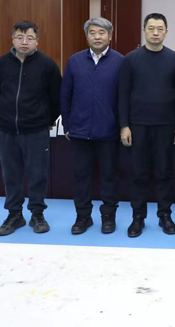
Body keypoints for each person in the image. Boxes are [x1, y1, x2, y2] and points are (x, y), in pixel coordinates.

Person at [119, 13, 175, 238]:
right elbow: (122, 95)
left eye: (160, 29)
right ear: (144, 30)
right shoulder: (130, 59)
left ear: (166, 32)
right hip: (137, 125)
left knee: (165, 172)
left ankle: (165, 215)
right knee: (138, 173)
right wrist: (124, 125)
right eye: (151, 28)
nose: (155, 33)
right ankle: (138, 217)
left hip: (166, 125)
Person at [0, 21, 62, 236]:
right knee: (10, 175)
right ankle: (14, 214)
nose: (24, 42)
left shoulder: (48, 65)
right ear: (13, 39)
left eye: (30, 38)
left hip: (36, 130)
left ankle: (37, 214)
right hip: (7, 131)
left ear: (37, 41)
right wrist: (5, 116)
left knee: (37, 174)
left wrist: (46, 120)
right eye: (20, 37)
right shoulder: (1, 64)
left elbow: (56, 98)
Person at [60, 18, 123, 235]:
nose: (97, 37)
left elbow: (124, 98)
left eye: (102, 33)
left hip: (109, 132)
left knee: (109, 177)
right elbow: (65, 95)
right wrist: (67, 124)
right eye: (93, 32)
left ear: (110, 36)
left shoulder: (120, 62)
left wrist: (123, 126)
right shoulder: (75, 61)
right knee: (81, 177)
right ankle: (83, 217)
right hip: (79, 131)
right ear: (86, 36)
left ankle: (108, 217)